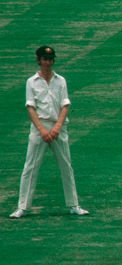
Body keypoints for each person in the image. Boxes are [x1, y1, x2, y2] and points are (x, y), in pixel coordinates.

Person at [10, 46, 88, 219]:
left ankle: (74, 205)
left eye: (50, 59)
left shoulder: (61, 81)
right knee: (30, 167)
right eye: (45, 59)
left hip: (58, 128)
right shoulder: (31, 82)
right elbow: (30, 108)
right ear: (39, 60)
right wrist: (43, 130)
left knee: (66, 166)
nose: (48, 62)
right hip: (40, 128)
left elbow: (65, 105)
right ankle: (22, 207)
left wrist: (57, 128)